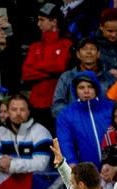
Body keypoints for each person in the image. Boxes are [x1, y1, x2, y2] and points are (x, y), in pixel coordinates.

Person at [21, 2, 72, 134]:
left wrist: (37, 67)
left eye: (42, 20)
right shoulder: (35, 46)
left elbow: (61, 67)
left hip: (56, 101)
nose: (38, 24)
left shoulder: (66, 44)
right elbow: (26, 73)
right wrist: (50, 73)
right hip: (36, 103)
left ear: (54, 22)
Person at [56, 71, 114, 168]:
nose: (86, 91)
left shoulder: (110, 108)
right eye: (81, 87)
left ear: (96, 88)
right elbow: (65, 142)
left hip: (112, 169)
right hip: (85, 171)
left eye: (90, 87)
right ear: (75, 90)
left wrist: (116, 165)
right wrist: (72, 163)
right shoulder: (66, 114)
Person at [0, 94, 52, 174]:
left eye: (22, 110)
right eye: (14, 109)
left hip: (36, 184)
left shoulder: (41, 132)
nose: (18, 113)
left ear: (28, 112)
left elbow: (41, 165)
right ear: (8, 112)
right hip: (7, 183)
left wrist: (12, 164)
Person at [51, 36, 117, 118]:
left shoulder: (109, 78)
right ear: (78, 54)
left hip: (103, 125)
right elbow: (56, 107)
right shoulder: (67, 77)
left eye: (92, 48)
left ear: (98, 54)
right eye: (85, 49)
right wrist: (78, 114)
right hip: (75, 125)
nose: (89, 52)